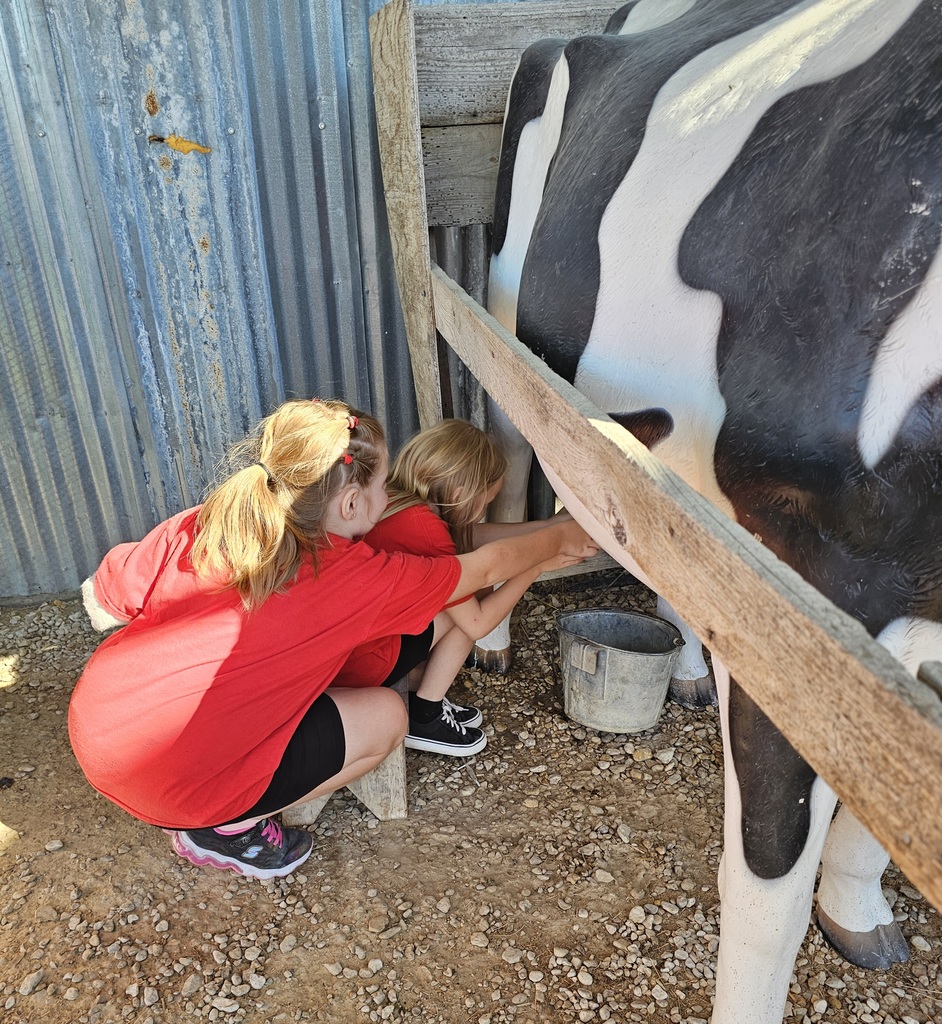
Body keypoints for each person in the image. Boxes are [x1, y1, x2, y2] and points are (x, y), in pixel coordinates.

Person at [69, 398, 597, 881]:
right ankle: (222, 828)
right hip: (170, 778)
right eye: (383, 484)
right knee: (388, 720)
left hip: (96, 728)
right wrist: (558, 537)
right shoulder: (351, 577)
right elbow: (481, 571)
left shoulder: (213, 520)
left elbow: (102, 598)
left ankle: (209, 797)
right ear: (347, 504)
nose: (390, 494)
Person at [349, 418, 568, 756]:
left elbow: (474, 538)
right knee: (471, 604)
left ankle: (423, 695)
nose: (480, 515)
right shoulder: (425, 528)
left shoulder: (400, 501)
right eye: (484, 504)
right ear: (459, 495)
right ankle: (425, 714)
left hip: (355, 647)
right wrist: (537, 563)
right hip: (367, 662)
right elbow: (477, 622)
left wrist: (547, 529)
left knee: (467, 588)